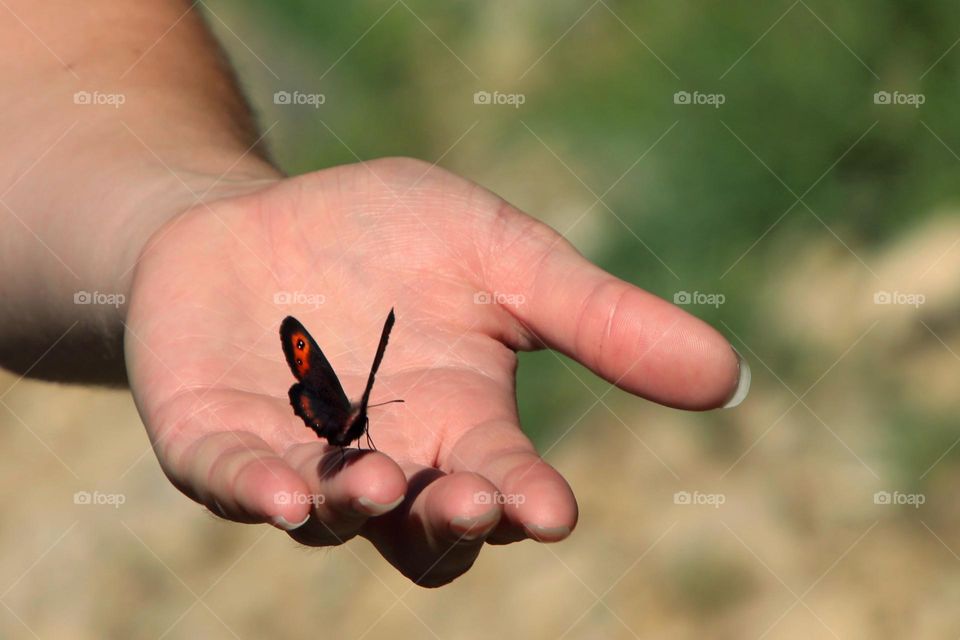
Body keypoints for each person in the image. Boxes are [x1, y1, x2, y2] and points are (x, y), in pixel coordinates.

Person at [0, 1, 749, 587]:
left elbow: (50, 56)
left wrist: (177, 228)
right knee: (348, 422)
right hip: (327, 411)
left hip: (318, 403)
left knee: (351, 426)